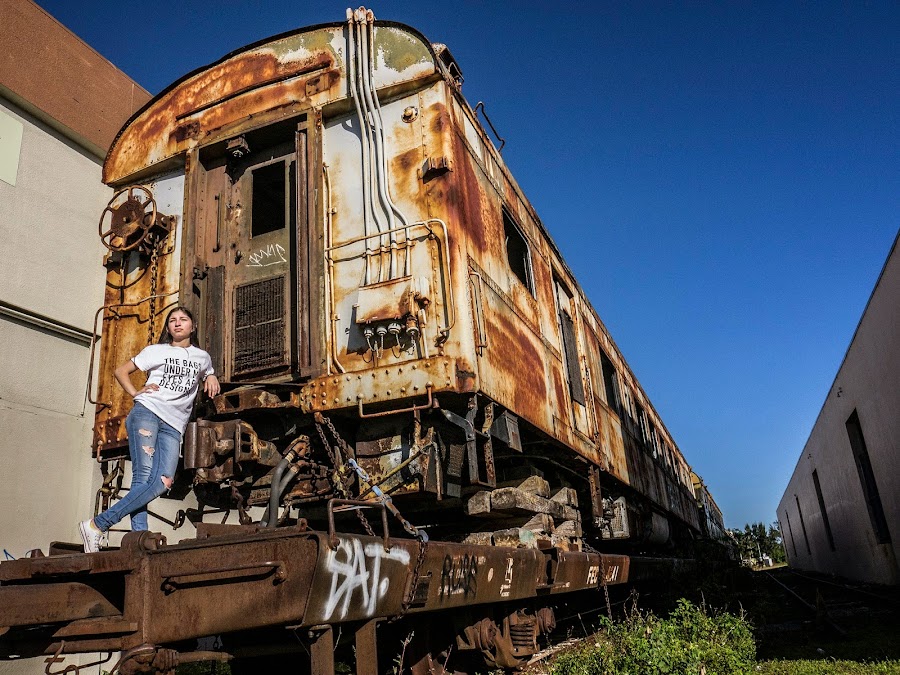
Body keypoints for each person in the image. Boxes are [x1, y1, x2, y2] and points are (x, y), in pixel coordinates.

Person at [79, 306, 220, 552]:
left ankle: (97, 525)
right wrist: (135, 392)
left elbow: (208, 372)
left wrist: (211, 376)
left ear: (193, 327)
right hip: (148, 412)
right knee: (143, 478)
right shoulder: (156, 351)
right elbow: (121, 371)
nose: (177, 323)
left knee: (163, 481)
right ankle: (135, 540)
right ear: (168, 328)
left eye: (183, 319)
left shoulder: (202, 358)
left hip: (174, 425)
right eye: (172, 320)